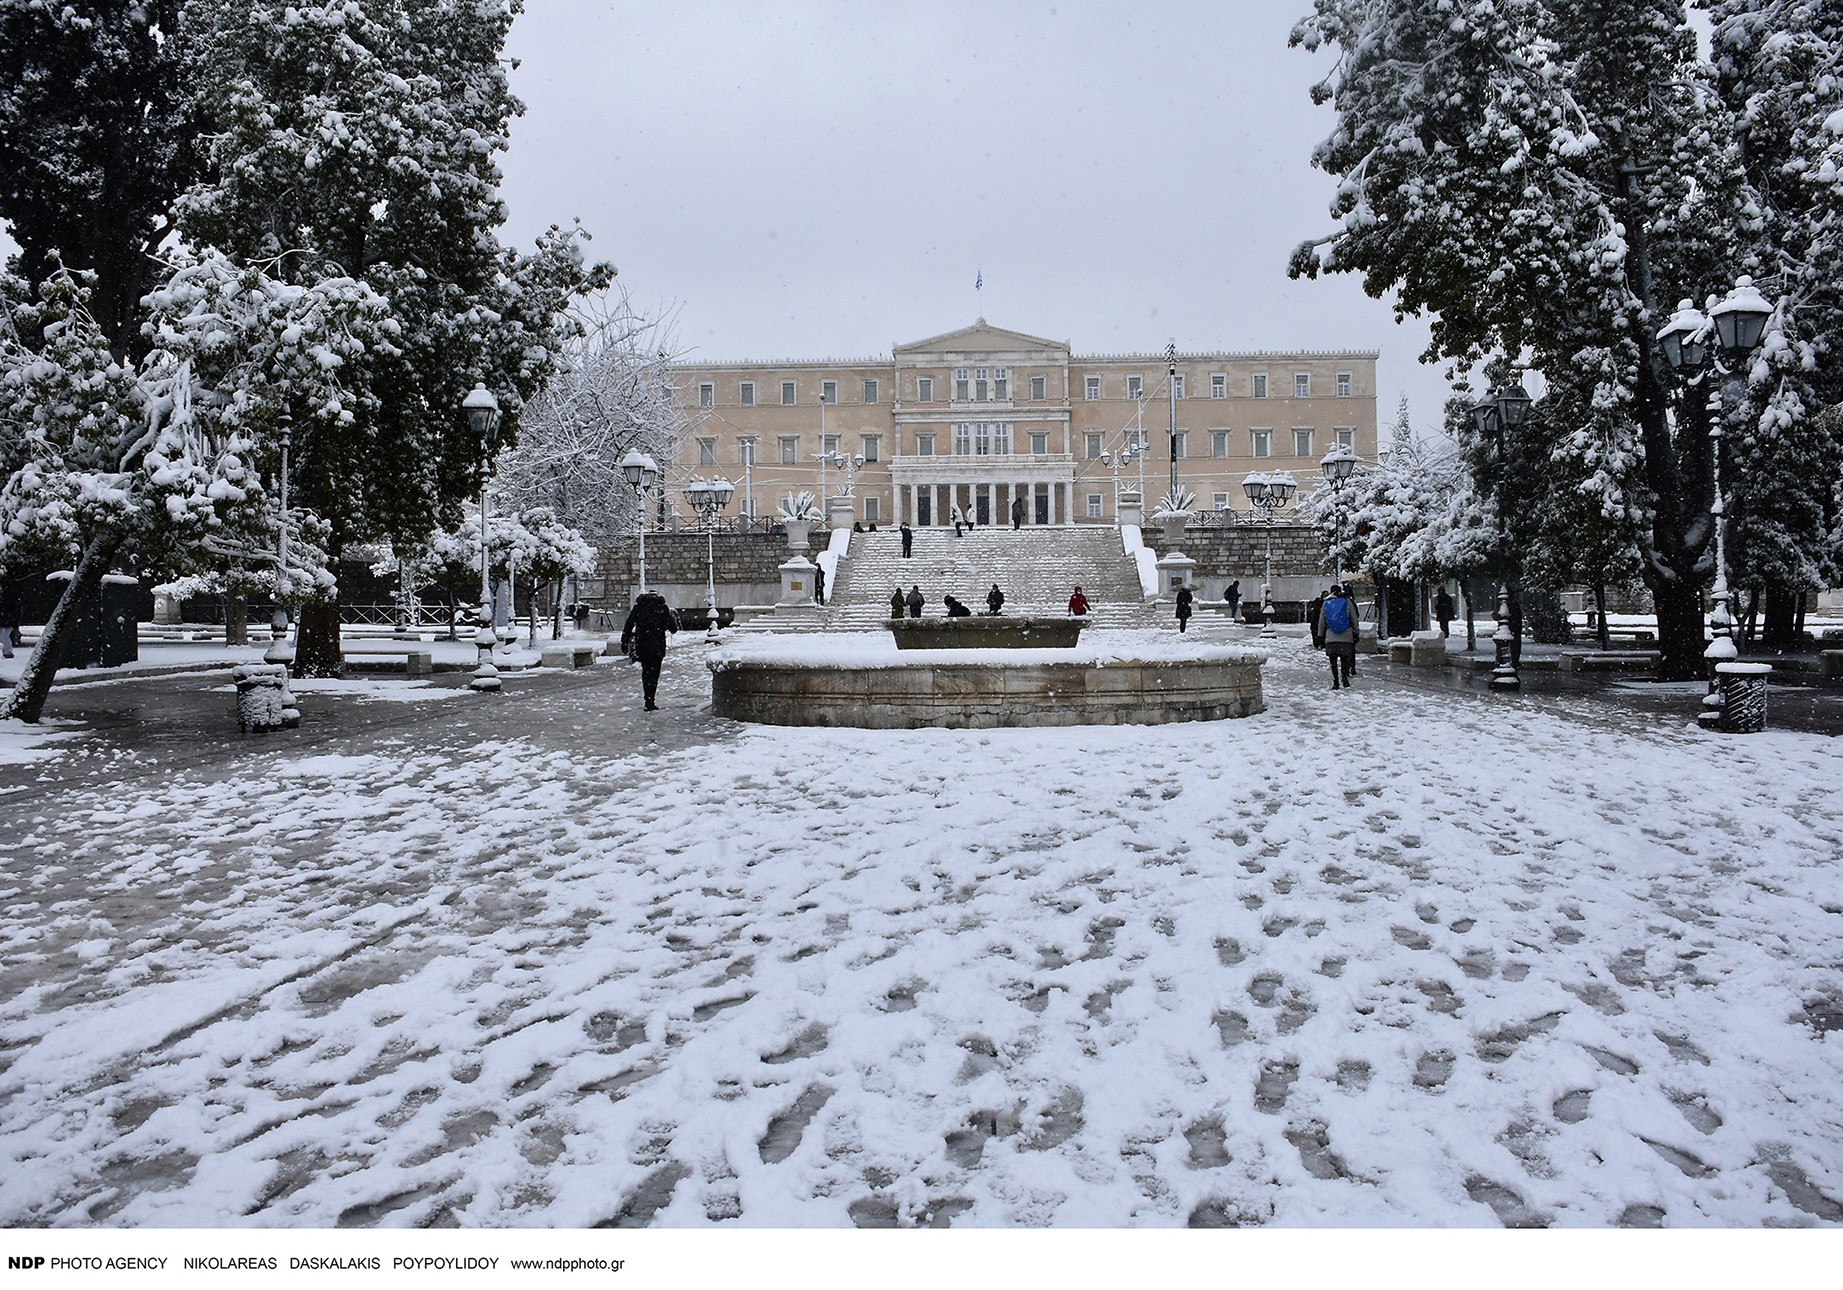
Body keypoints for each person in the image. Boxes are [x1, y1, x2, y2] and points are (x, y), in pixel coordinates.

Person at [620, 590, 679, 711]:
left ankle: (647, 698)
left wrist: (624, 641)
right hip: (657, 645)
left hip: (642, 645)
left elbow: (629, 625)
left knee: (646, 671)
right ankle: (651, 699)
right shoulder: (662, 608)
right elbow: (673, 628)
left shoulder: (638, 608)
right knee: (654, 673)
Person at [1316, 583, 1359, 690]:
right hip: (1346, 636)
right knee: (1345, 659)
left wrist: (1320, 635)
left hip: (1331, 637)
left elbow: (1321, 621)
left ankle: (1335, 681)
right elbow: (1354, 619)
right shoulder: (1347, 601)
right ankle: (1344, 678)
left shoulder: (1326, 603)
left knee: (1333, 661)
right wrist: (1356, 632)